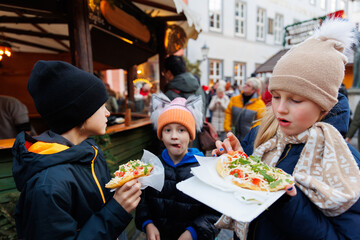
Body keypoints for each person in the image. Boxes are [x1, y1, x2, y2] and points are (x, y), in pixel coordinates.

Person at [212, 19, 360, 240]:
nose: (280, 109)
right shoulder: (262, 134)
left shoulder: (345, 162)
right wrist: (239, 164)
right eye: (277, 96)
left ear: (324, 104)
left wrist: (286, 200)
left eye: (296, 100)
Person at [12, 61, 142, 239]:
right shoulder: (47, 185)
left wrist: (122, 192)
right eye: (101, 105)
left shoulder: (89, 152)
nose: (107, 113)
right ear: (80, 111)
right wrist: (117, 210)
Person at [135, 94, 220, 240]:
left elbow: (214, 213)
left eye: (181, 130)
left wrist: (193, 232)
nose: (174, 136)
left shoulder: (203, 169)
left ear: (191, 135)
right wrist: (148, 224)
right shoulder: (152, 167)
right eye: (168, 130)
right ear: (160, 135)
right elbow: (143, 203)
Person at [224, 77, 266, 141]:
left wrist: (251, 132)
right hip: (233, 136)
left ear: (253, 90)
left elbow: (261, 121)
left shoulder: (260, 104)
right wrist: (227, 127)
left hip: (249, 139)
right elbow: (228, 113)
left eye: (248, 85)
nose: (244, 86)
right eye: (245, 84)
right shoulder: (234, 99)